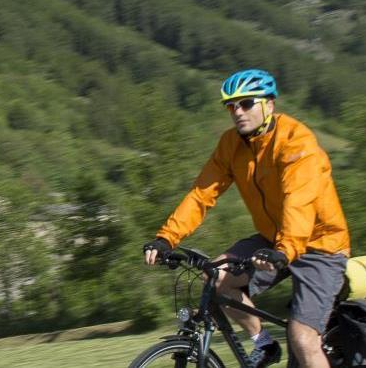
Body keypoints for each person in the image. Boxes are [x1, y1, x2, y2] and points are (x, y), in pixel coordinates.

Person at [141, 69, 351, 368]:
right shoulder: (231, 145)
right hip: (273, 238)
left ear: (269, 104)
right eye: (231, 106)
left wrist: (284, 250)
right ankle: (263, 344)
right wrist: (166, 238)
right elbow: (202, 194)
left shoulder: (296, 142)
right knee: (215, 277)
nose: (238, 112)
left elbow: (299, 202)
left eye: (246, 103)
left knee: (303, 337)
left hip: (320, 245)